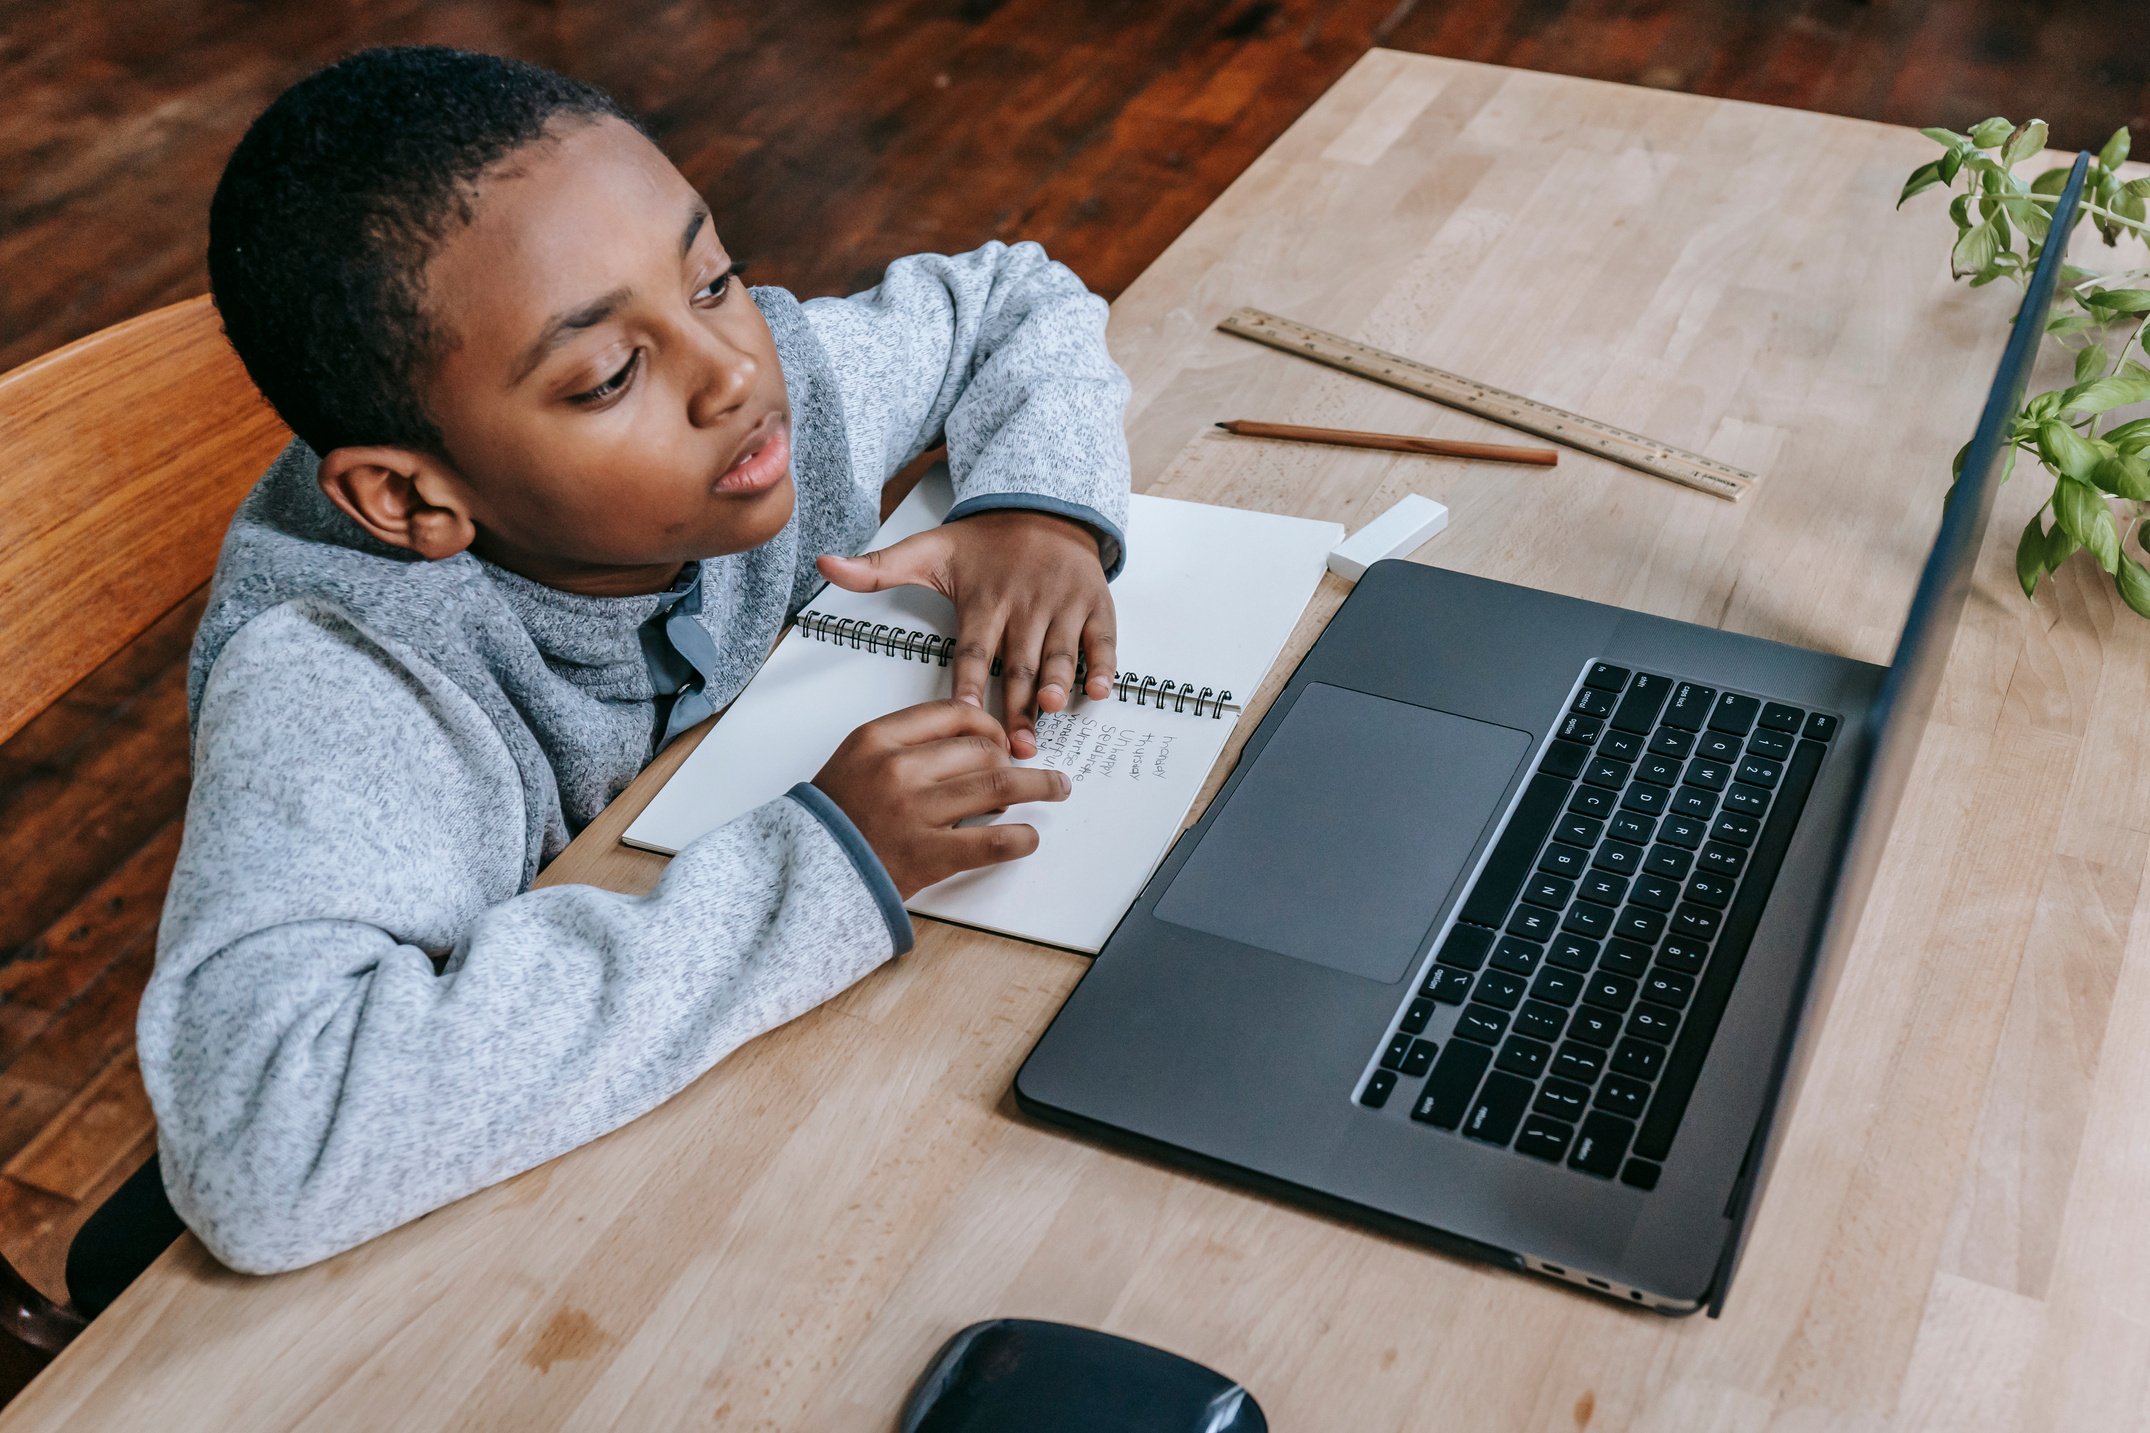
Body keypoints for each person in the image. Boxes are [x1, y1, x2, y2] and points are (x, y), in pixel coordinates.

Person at [135, 44, 1131, 1276]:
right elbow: (264, 1150)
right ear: (409, 497)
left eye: (713, 278)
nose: (732, 373)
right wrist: (819, 866)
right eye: (609, 374)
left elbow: (1008, 298)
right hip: (487, 1242)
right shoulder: (349, 674)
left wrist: (1038, 512)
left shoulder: (766, 404)